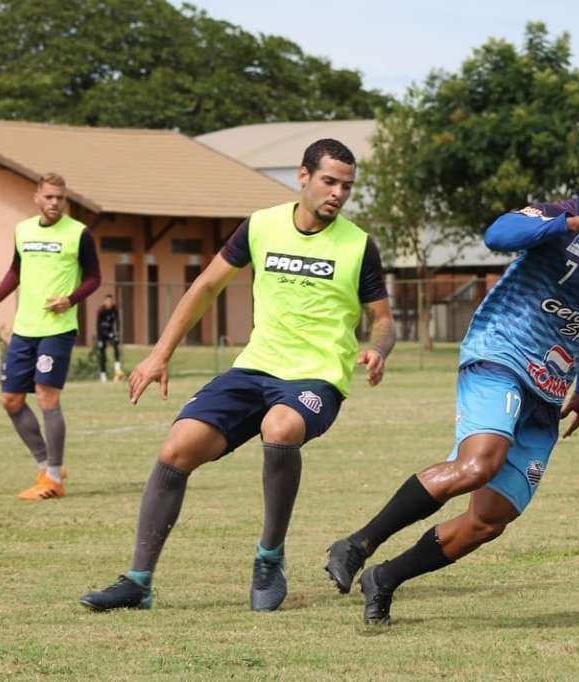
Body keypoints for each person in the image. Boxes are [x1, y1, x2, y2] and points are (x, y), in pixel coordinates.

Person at [325, 144, 579, 625]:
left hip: (549, 389)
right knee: (479, 464)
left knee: (490, 520)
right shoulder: (558, 216)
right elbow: (498, 233)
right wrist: (567, 226)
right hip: (501, 354)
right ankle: (357, 544)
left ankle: (386, 578)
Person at [80, 139, 396, 613]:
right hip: (255, 367)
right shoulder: (261, 225)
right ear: (304, 177)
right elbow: (206, 285)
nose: (338, 194)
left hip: (317, 376)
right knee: (176, 448)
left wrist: (377, 349)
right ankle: (138, 582)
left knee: (280, 427)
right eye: (329, 181)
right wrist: (160, 353)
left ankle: (269, 557)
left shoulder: (358, 245)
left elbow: (384, 318)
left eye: (347, 186)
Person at [0, 173, 101, 501]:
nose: (54, 203)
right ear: (37, 197)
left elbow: (94, 278)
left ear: (66, 200)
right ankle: (47, 465)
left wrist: (70, 300)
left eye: (60, 197)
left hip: (57, 330)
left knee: (47, 396)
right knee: (11, 400)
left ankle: (54, 479)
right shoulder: (23, 230)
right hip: (24, 329)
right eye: (49, 197)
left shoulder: (79, 234)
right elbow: (16, 270)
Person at [95, 294, 123, 382]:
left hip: (111, 333)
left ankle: (117, 372)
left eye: (110, 301)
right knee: (102, 354)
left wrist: (117, 333)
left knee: (116, 346)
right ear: (104, 302)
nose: (109, 303)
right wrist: (99, 338)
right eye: (107, 301)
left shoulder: (114, 309)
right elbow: (98, 326)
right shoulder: (101, 311)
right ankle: (103, 375)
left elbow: (118, 321)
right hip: (102, 334)